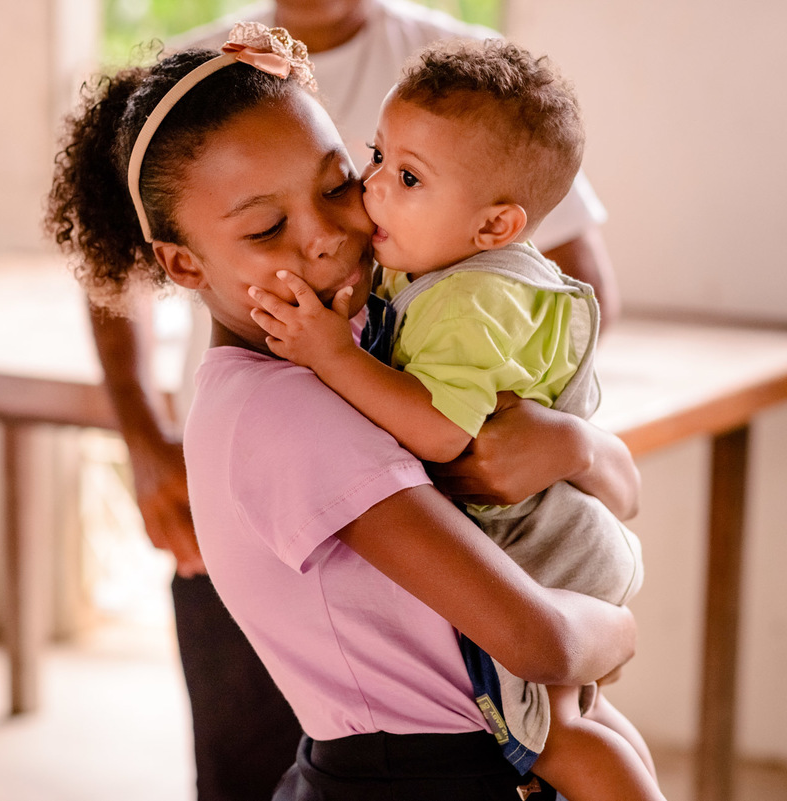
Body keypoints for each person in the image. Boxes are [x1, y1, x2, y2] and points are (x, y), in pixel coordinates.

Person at [47, 22, 640, 801]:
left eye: (338, 185)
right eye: (266, 228)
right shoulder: (288, 412)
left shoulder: (374, 335)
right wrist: (621, 626)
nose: (327, 236)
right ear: (184, 263)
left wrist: (570, 444)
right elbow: (544, 641)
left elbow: (615, 484)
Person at [248, 39, 662, 801]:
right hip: (564, 532)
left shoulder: (468, 302)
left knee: (557, 739)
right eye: (377, 157)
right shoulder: (443, 268)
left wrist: (333, 356)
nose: (372, 186)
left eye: (407, 178)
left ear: (495, 225)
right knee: (580, 720)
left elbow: (442, 432)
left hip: (536, 546)